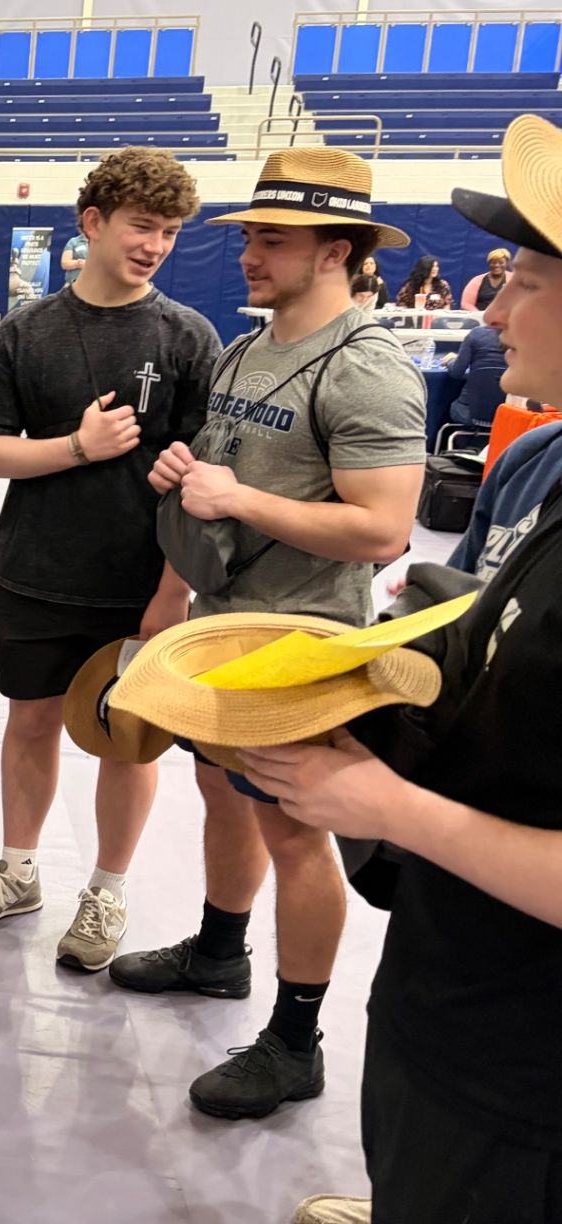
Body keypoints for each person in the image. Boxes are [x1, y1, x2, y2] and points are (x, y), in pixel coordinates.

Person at [249, 114, 562, 1224]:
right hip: (450, 965)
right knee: (412, 1142)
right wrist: (351, 689)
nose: (492, 308)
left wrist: (385, 806)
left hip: (529, 1067)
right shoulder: (536, 460)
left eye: (522, 279)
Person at [110, 146, 427, 1120]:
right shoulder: (253, 348)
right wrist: (182, 518)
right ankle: (217, 952)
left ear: (338, 250)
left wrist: (236, 493)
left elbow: (383, 527)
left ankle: (296, 1041)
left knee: (295, 836)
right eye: (249, 233)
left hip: (302, 642)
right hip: (223, 626)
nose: (250, 251)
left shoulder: (367, 368)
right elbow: (218, 476)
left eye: (273, 238)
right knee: (225, 798)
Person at [0, 148, 217, 969]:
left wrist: (173, 590)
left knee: (128, 739)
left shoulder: (187, 338)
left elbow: (200, 483)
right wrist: (76, 445)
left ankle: (106, 890)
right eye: (142, 225)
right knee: (30, 721)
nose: (155, 244)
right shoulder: (30, 330)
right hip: (34, 571)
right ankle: (19, 870)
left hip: (138, 586)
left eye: (169, 232)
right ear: (92, 223)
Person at [443, 318, 509, 426]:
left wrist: (451, 361)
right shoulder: (526, 340)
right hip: (508, 418)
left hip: (467, 413)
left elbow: (456, 372)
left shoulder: (476, 334)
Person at [460, 245, 512, 311]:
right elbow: (466, 304)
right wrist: (479, 316)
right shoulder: (477, 281)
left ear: (507, 263)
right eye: (493, 262)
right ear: (489, 263)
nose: (496, 265)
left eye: (501, 262)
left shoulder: (514, 279)